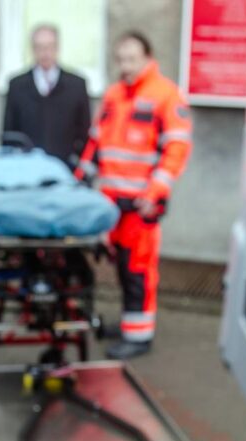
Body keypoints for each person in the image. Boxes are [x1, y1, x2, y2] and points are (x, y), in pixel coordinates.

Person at [76, 31, 193, 360]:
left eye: (132, 59)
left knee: (138, 271)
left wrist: (155, 191)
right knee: (122, 269)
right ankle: (131, 323)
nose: (125, 66)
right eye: (121, 59)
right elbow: (95, 142)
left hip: (141, 205)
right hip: (112, 203)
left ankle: (140, 336)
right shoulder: (114, 95)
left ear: (147, 58)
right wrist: (79, 179)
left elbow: (177, 149)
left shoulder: (165, 95)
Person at [3, 24, 91, 166]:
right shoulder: (17, 86)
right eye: (40, 47)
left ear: (58, 48)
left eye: (50, 46)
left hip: (65, 168)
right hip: (26, 167)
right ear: (33, 49)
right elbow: (9, 134)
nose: (45, 53)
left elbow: (84, 132)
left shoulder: (76, 85)